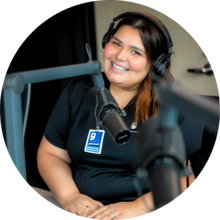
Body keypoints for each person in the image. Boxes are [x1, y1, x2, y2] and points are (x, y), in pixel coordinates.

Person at [37, 11, 199, 219]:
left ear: (156, 63)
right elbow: (51, 154)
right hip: (81, 210)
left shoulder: (173, 107)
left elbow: (188, 179)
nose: (120, 56)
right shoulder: (77, 91)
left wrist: (140, 207)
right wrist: (69, 196)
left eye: (136, 52)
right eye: (116, 43)